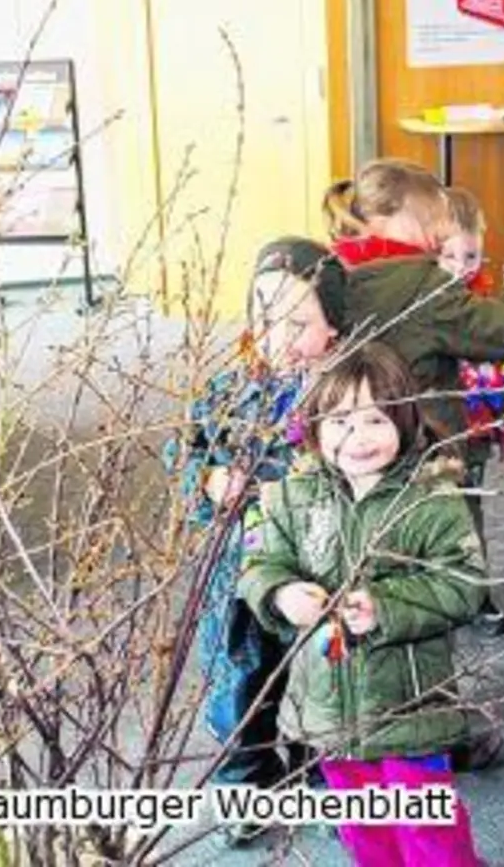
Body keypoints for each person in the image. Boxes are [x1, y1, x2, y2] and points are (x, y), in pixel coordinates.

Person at [238, 342, 487, 867]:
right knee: (362, 827)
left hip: (410, 705)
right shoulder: (289, 498)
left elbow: (463, 584)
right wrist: (281, 594)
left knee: (428, 828)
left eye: (376, 419)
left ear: (405, 419)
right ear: (313, 428)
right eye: (340, 422)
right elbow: (259, 567)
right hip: (328, 710)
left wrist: (385, 607)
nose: (358, 438)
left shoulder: (430, 499)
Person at [161, 236, 344, 846]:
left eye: (299, 322)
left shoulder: (345, 396)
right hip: (239, 573)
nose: (277, 335)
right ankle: (247, 778)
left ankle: (327, 768)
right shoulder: (225, 391)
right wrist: (209, 478)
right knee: (241, 678)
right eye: (264, 317)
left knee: (323, 670)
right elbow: (179, 454)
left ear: (333, 333)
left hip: (317, 569)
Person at [322, 158, 504, 641]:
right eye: (434, 222)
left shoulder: (336, 273)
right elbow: (502, 332)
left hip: (350, 438)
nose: (441, 236)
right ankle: (468, 599)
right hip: (426, 443)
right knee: (455, 519)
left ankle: (377, 609)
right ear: (400, 215)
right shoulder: (424, 284)